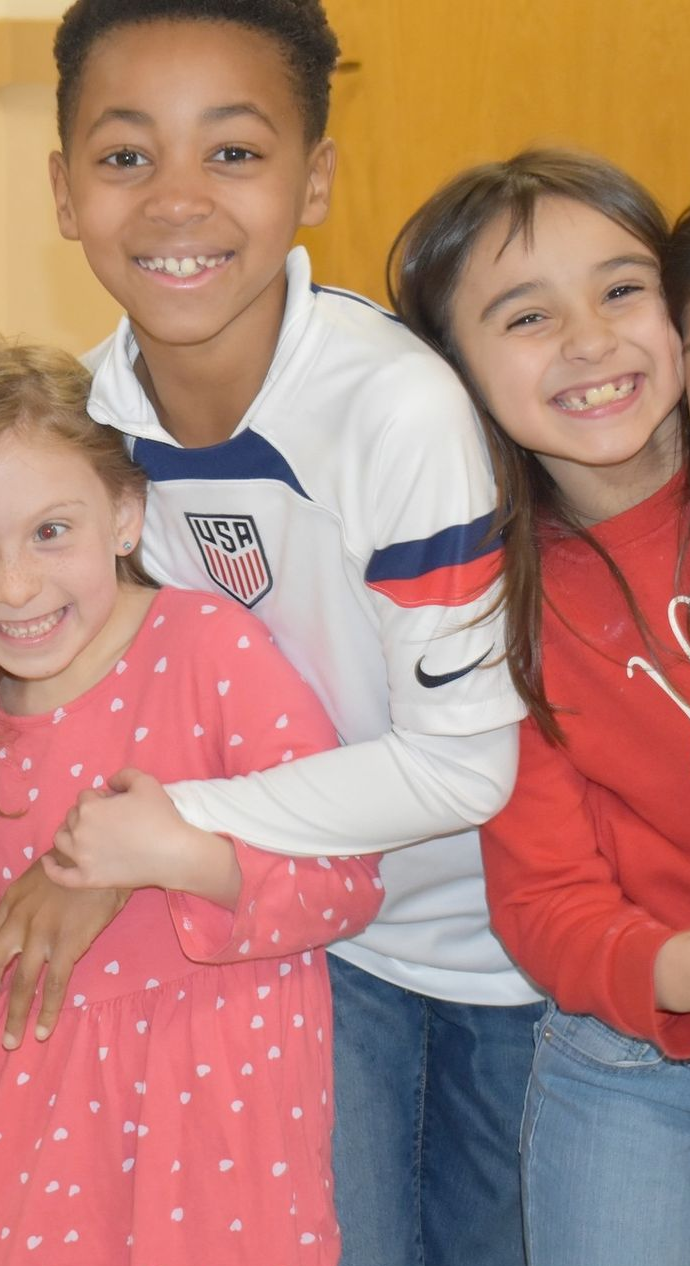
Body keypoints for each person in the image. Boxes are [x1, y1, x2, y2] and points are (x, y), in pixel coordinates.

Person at [32, 4, 540, 1263]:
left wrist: (176, 822)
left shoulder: (393, 412)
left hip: (505, 958)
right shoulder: (90, 423)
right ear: (61, 189)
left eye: (235, 153)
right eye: (124, 155)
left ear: (314, 179)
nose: (175, 202)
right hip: (309, 943)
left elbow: (466, 768)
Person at [0, 342, 379, 1263]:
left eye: (50, 532)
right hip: (39, 1140)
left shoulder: (208, 649)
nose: (15, 585)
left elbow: (345, 884)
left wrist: (176, 854)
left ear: (124, 513)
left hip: (226, 1127)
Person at [390, 149, 690, 1266]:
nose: (588, 340)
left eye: (622, 289)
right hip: (634, 1064)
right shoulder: (486, 614)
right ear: (455, 379)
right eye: (525, 316)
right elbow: (547, 902)